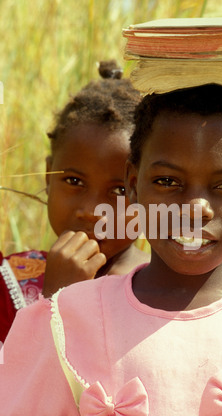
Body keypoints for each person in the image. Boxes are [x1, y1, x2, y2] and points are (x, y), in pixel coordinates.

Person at [1, 84, 222, 416]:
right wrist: (54, 305)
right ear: (135, 186)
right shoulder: (66, 317)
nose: (195, 208)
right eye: (168, 181)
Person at [0, 60, 149, 343]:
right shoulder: (9, 284)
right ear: (47, 177)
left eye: (119, 191)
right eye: (73, 182)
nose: (91, 212)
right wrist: (56, 301)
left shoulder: (167, 290)